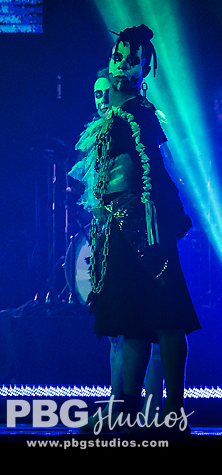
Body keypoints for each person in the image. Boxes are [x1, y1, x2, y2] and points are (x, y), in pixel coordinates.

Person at [78, 26, 197, 430]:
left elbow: (155, 168)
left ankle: (173, 410)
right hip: (120, 226)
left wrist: (174, 216)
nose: (121, 65)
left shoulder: (139, 113)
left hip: (145, 226)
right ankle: (127, 410)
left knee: (166, 316)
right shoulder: (116, 114)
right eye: (117, 57)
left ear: (145, 69)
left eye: (132, 61)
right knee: (134, 321)